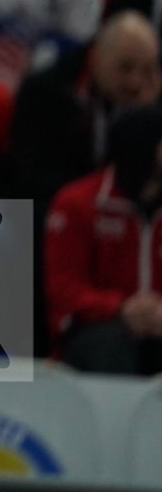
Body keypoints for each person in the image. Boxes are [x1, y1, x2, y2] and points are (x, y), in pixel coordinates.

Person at [44, 104, 162, 374]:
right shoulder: (78, 203)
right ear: (143, 145)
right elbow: (63, 289)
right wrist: (122, 308)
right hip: (96, 328)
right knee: (111, 343)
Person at [10, 11, 162, 216]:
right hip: (56, 208)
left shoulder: (153, 102)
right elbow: (31, 176)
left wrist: (145, 118)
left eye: (147, 70)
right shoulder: (45, 91)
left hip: (130, 218)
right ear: (96, 57)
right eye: (125, 68)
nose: (135, 82)